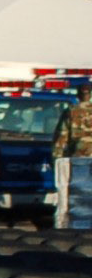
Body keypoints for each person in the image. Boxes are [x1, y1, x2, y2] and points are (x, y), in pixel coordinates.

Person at [55, 87, 92, 228]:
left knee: (78, 195)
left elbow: (61, 138)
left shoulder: (71, 112)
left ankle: (76, 225)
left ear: (78, 95)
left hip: (78, 160)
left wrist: (57, 160)